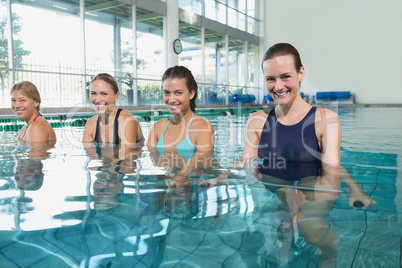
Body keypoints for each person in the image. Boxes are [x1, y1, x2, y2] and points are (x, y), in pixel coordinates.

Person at [147, 66, 215, 180]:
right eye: (167, 93)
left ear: (191, 93)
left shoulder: (202, 127)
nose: (172, 99)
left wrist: (181, 174)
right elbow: (152, 157)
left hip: (192, 182)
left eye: (178, 93)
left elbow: (204, 161)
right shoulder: (158, 127)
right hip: (166, 180)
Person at [83, 73, 143, 145]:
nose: (98, 100)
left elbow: (128, 155)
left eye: (104, 94)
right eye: (93, 93)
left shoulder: (127, 121)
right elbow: (89, 154)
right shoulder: (91, 124)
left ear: (117, 96)